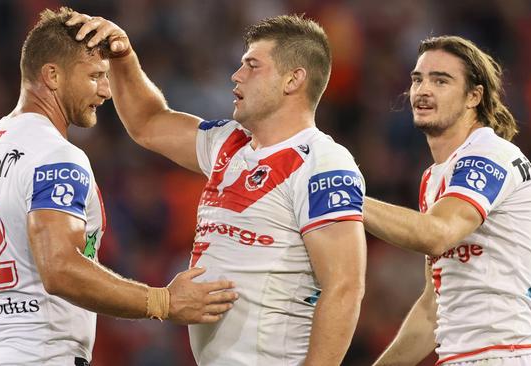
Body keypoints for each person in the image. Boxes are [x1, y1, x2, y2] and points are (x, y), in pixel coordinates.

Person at [67, 11, 367, 366]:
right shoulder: (228, 142)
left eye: (252, 66)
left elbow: (345, 287)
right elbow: (147, 123)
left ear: (293, 80)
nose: (236, 75)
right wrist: (123, 58)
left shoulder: (322, 162)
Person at [0, 7, 238, 366]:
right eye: (95, 76)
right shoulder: (57, 155)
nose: (106, 90)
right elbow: (60, 267)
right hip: (42, 356)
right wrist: (164, 302)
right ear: (53, 76)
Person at [364, 36, 531, 365]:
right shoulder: (435, 177)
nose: (423, 90)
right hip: (466, 357)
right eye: (417, 79)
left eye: (441, 80)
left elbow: (436, 234)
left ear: (474, 96)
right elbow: (432, 310)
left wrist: (342, 198)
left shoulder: (489, 155)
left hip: (503, 355)